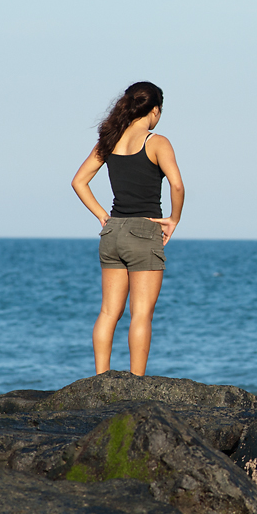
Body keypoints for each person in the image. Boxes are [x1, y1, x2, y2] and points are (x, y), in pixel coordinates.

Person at [71, 81, 184, 376]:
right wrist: (174, 218)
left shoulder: (110, 139)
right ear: (154, 110)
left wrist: (102, 216)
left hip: (112, 232)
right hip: (144, 232)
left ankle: (100, 378)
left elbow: (79, 181)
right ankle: (136, 383)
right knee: (141, 314)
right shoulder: (156, 142)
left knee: (109, 312)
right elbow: (177, 185)